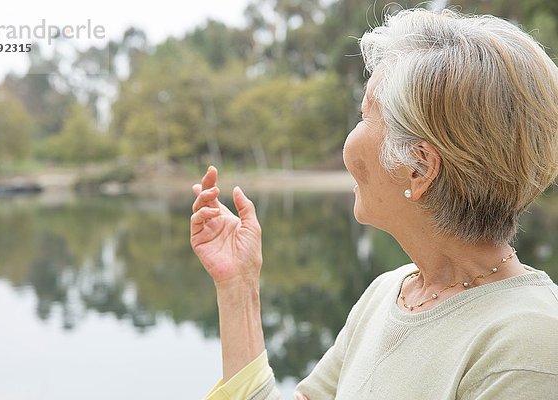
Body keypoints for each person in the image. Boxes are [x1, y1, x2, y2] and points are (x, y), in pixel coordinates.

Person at [190, 8, 558, 400]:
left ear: (419, 168)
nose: (349, 142)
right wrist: (239, 286)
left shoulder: (529, 343)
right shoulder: (388, 294)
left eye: (364, 116)